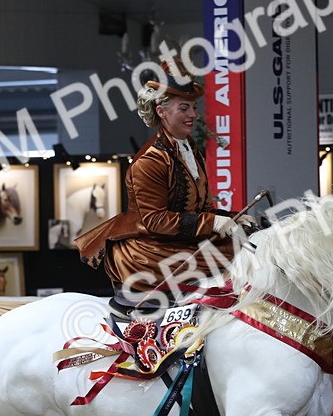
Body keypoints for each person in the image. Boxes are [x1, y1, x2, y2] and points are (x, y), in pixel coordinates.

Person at [75, 62, 244, 310]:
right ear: (162, 112)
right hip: (149, 250)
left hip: (178, 241)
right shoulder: (150, 161)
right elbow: (155, 221)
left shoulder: (189, 149)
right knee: (233, 256)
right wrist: (213, 223)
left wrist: (232, 218)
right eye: (183, 108)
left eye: (193, 108)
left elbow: (199, 208)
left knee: (246, 243)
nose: (192, 115)